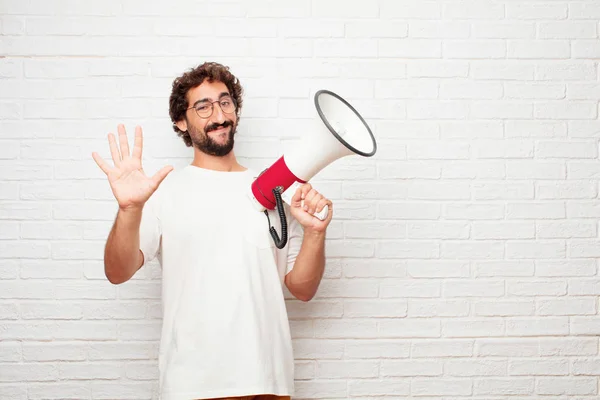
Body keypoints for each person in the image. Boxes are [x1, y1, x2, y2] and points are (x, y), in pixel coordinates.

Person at [91, 61, 333, 400]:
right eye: (202, 106)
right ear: (181, 121)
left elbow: (302, 289)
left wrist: (315, 233)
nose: (218, 114)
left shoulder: (274, 191)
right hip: (193, 386)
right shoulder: (163, 191)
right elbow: (117, 271)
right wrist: (129, 209)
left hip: (269, 383)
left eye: (225, 102)